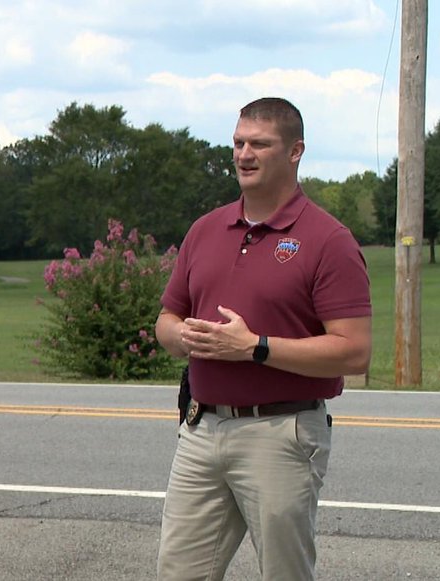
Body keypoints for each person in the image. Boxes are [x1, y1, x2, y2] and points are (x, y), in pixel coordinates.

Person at [154, 97, 372, 580]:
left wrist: (255, 347)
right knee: (178, 573)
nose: (244, 154)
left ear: (295, 151)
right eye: (238, 143)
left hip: (281, 432)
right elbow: (166, 320)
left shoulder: (328, 240)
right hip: (201, 430)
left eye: (259, 144)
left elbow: (354, 351)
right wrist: (182, 335)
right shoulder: (205, 230)